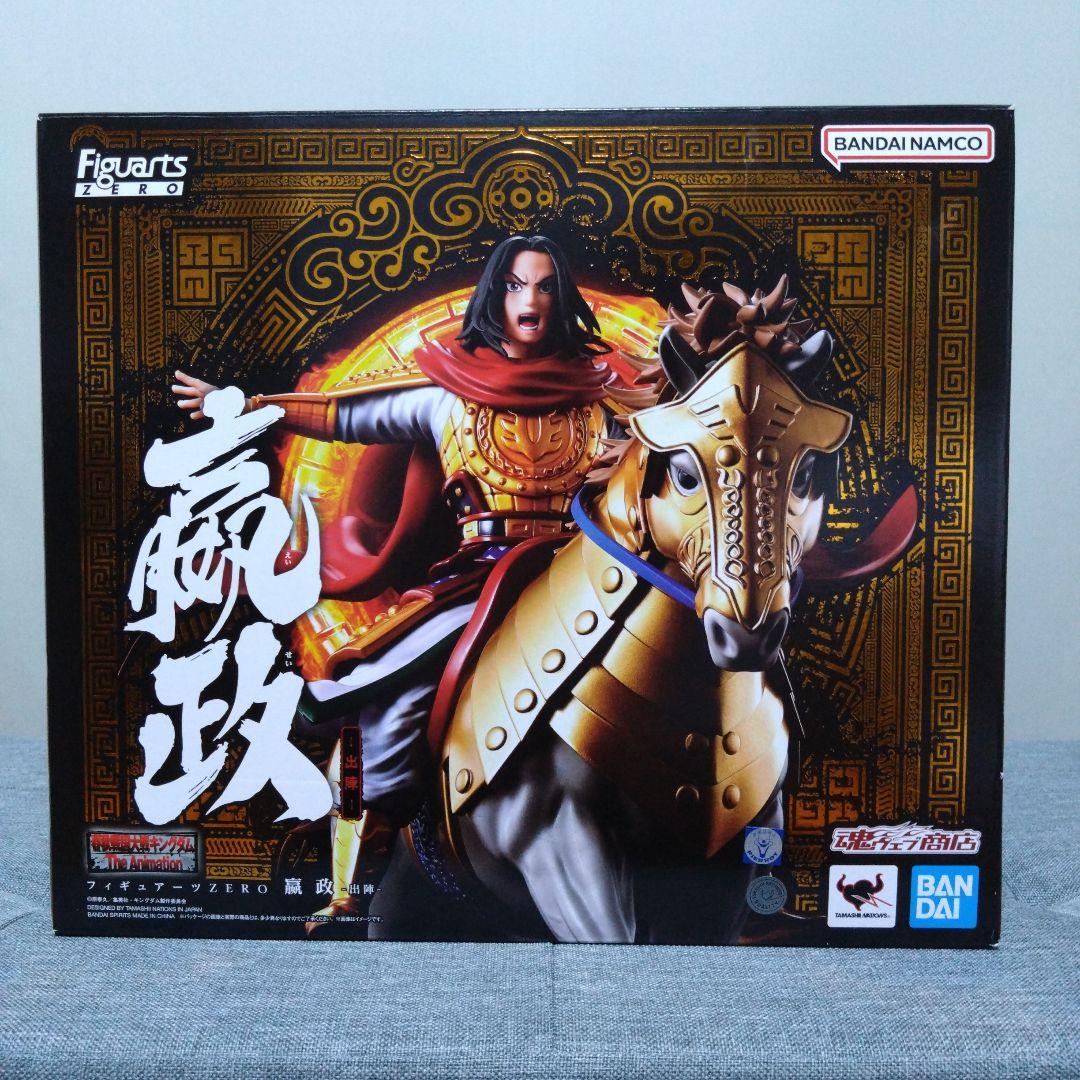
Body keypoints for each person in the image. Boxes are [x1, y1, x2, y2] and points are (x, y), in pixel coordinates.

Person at [173, 235, 623, 927]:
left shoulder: (612, 395)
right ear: (494, 298)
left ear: (562, 298)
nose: (530, 301)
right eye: (515, 285)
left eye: (544, 286)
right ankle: (353, 887)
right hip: (482, 582)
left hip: (587, 579)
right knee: (393, 704)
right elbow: (341, 415)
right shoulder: (446, 395)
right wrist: (242, 406)